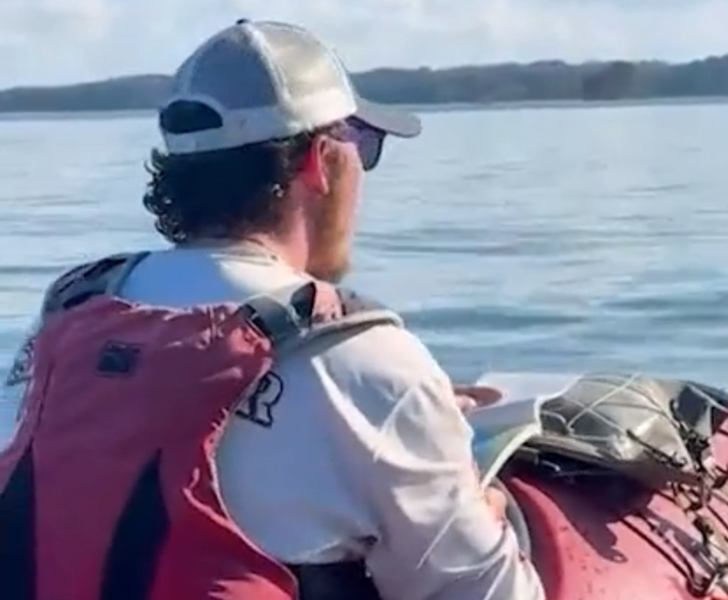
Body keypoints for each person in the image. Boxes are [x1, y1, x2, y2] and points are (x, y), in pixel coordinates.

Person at [0, 18, 545, 600]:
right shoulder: (367, 362)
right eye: (362, 143)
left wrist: (412, 404)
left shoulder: (70, 311)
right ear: (319, 160)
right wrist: (473, 493)